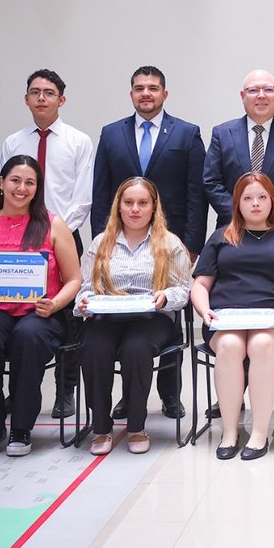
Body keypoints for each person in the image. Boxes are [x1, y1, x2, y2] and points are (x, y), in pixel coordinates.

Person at [90, 66, 205, 422]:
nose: (146, 94)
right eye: (139, 88)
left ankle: (170, 396)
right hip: (121, 245)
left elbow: (196, 194)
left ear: (164, 94)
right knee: (122, 325)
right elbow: (102, 193)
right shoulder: (111, 134)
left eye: (153, 88)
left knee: (165, 313)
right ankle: (129, 399)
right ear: (131, 94)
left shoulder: (187, 134)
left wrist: (191, 245)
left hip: (171, 245)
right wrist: (105, 244)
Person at [0, 155, 84, 458]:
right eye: (15, 180)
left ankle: (22, 427)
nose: (21, 188)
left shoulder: (53, 225)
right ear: (1, 183)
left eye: (30, 183)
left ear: (37, 188)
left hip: (41, 314)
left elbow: (74, 279)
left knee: (28, 337)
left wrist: (55, 304)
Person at [203, 68, 274, 418]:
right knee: (234, 319)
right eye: (254, 90)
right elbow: (212, 182)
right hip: (233, 241)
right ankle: (230, 398)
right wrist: (242, 217)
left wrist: (273, 219)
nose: (261, 95)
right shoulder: (223, 134)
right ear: (243, 96)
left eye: (268, 90)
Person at [190, 173, 274, 461]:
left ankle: (259, 432)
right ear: (237, 203)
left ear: (272, 200)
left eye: (262, 197)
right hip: (226, 318)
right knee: (231, 346)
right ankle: (230, 432)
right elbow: (200, 284)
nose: (255, 204)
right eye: (247, 198)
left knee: (260, 345)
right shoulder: (221, 236)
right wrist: (204, 310)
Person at [1, 69, 95, 419]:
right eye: (35, 92)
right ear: (26, 98)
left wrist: (54, 233)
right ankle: (20, 390)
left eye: (49, 92)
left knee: (68, 316)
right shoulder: (13, 142)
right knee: (20, 310)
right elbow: (10, 194)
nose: (42, 98)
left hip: (64, 237)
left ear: (61, 100)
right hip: (18, 242)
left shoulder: (78, 140)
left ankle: (65, 391)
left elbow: (82, 198)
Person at [76, 177, 193, 456]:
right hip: (108, 317)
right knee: (93, 347)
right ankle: (101, 427)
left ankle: (137, 426)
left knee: (136, 348)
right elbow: (86, 289)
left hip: (152, 319)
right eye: (128, 203)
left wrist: (165, 297)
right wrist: (83, 303)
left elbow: (183, 290)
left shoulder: (169, 243)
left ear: (154, 208)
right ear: (119, 206)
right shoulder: (101, 242)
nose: (135, 209)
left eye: (143, 203)